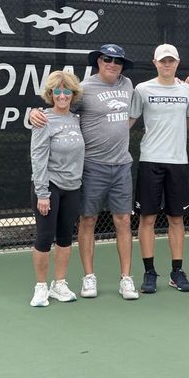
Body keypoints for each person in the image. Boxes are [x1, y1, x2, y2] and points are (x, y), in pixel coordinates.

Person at [30, 44, 139, 301]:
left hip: (122, 164)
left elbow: (134, 112)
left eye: (117, 60)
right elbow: (59, 111)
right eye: (106, 59)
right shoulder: (86, 88)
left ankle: (126, 279)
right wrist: (32, 114)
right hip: (92, 167)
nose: (112, 64)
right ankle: (88, 278)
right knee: (87, 220)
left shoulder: (128, 85)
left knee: (123, 220)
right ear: (98, 62)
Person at [129, 43, 189, 293]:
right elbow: (128, 121)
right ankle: (149, 272)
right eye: (162, 61)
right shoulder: (142, 89)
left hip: (178, 162)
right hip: (150, 160)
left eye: (171, 61)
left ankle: (176, 272)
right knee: (147, 218)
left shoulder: (187, 90)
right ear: (155, 63)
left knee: (176, 219)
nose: (167, 65)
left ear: (177, 63)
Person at [29, 70, 85, 307]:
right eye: (57, 91)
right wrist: (43, 193)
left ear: (73, 94)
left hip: (73, 187)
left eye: (67, 91)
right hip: (49, 187)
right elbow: (38, 157)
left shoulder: (77, 119)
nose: (63, 96)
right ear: (51, 94)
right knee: (44, 238)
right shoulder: (43, 119)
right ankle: (41, 287)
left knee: (64, 238)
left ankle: (58, 284)